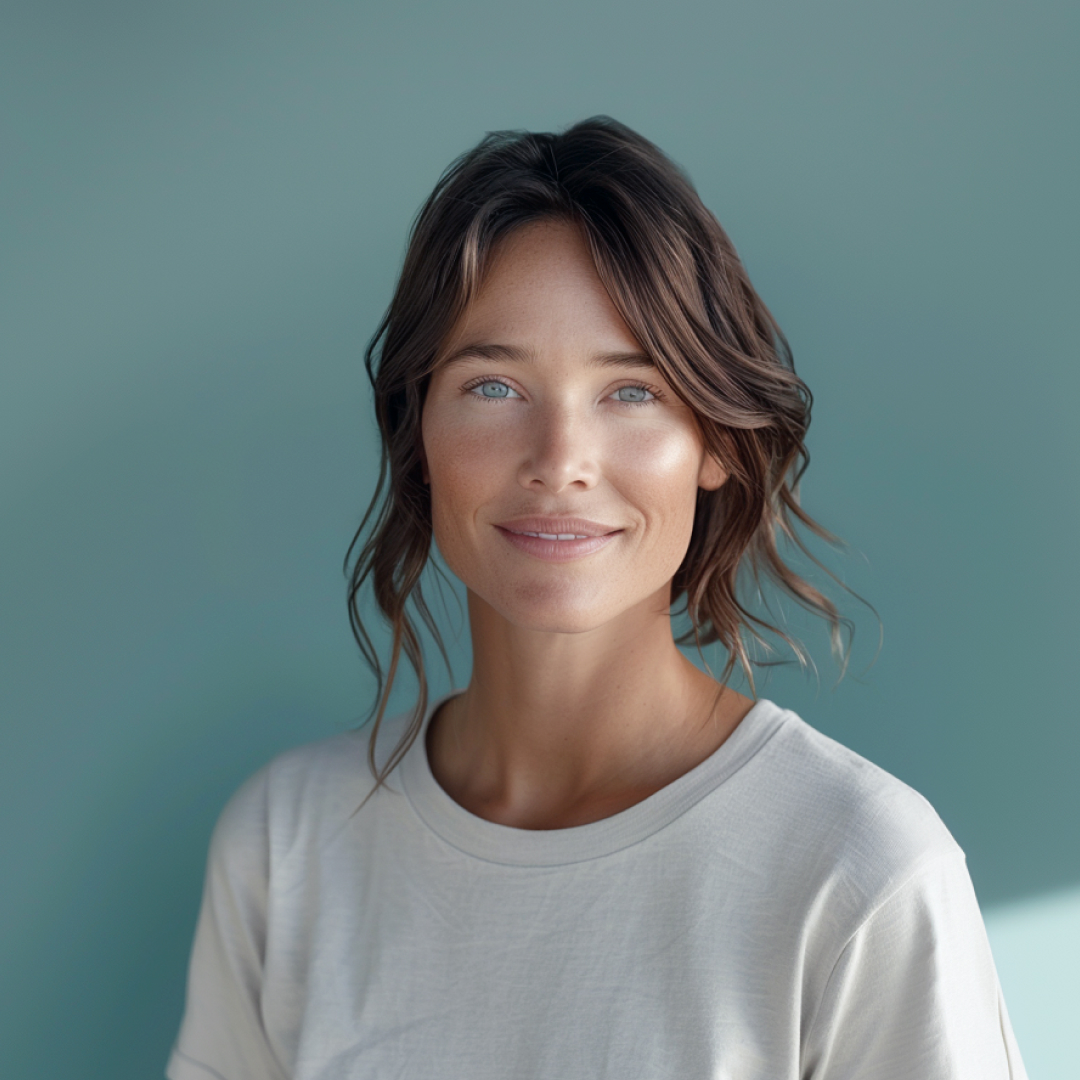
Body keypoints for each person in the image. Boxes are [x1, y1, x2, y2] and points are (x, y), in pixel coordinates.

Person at [166, 117, 1028, 1079]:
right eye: (493, 386)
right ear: (417, 436)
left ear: (717, 444)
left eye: (633, 392)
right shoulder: (288, 845)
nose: (560, 463)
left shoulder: (859, 872)